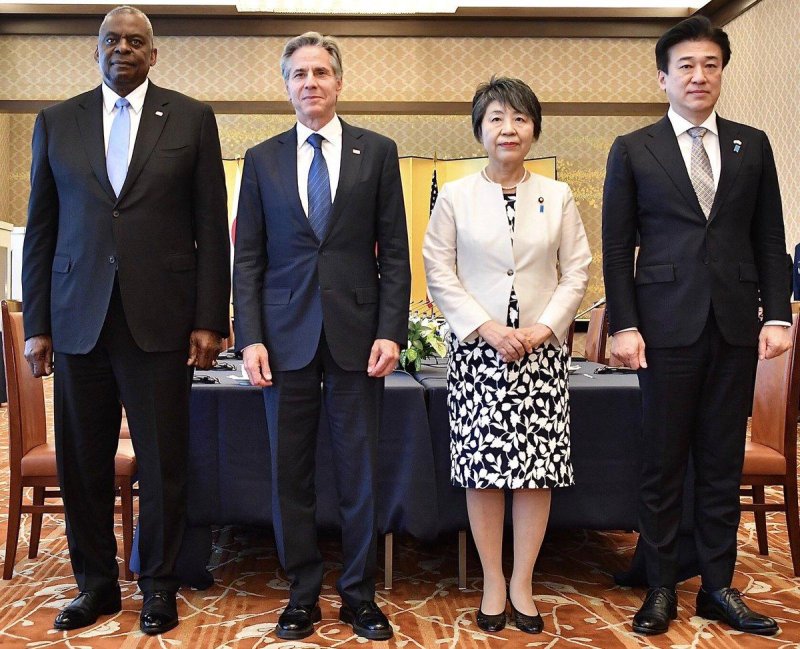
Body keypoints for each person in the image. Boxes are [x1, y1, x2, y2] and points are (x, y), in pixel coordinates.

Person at [22, 5, 230, 635]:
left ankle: (160, 585)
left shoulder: (191, 118)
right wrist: (37, 323)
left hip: (162, 322)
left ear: (154, 54)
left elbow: (209, 227)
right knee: (83, 462)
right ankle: (97, 586)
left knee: (164, 460)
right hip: (77, 319)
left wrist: (209, 317)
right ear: (96, 51)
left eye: (135, 42)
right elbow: (42, 229)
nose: (123, 49)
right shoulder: (57, 122)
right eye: (111, 40)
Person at [602, 15, 791, 637]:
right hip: (663, 329)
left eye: (710, 64)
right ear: (663, 77)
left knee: (719, 463)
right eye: (686, 65)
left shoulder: (752, 143)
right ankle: (659, 587)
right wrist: (624, 325)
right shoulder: (634, 148)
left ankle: (717, 586)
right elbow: (616, 245)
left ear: (721, 73)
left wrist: (777, 313)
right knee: (662, 462)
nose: (699, 75)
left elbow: (769, 238)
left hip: (736, 326)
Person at [232, 32, 410, 642]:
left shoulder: (378, 152)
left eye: (321, 72)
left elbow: (396, 257)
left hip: (360, 339)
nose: (310, 82)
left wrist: (392, 330)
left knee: (360, 473)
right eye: (299, 74)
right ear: (286, 86)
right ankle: (302, 593)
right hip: (282, 343)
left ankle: (360, 595)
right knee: (292, 474)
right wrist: (249, 335)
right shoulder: (261, 159)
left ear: (339, 82)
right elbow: (247, 259)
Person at [423, 76, 591, 635]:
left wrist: (544, 329)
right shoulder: (455, 195)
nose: (508, 128)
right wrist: (487, 328)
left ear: (534, 129)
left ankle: (523, 580)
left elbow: (577, 272)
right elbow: (439, 273)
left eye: (519, 118)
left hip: (541, 356)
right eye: (495, 118)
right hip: (479, 352)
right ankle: (493, 579)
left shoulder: (557, 194)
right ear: (479, 129)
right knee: (485, 474)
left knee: (535, 474)